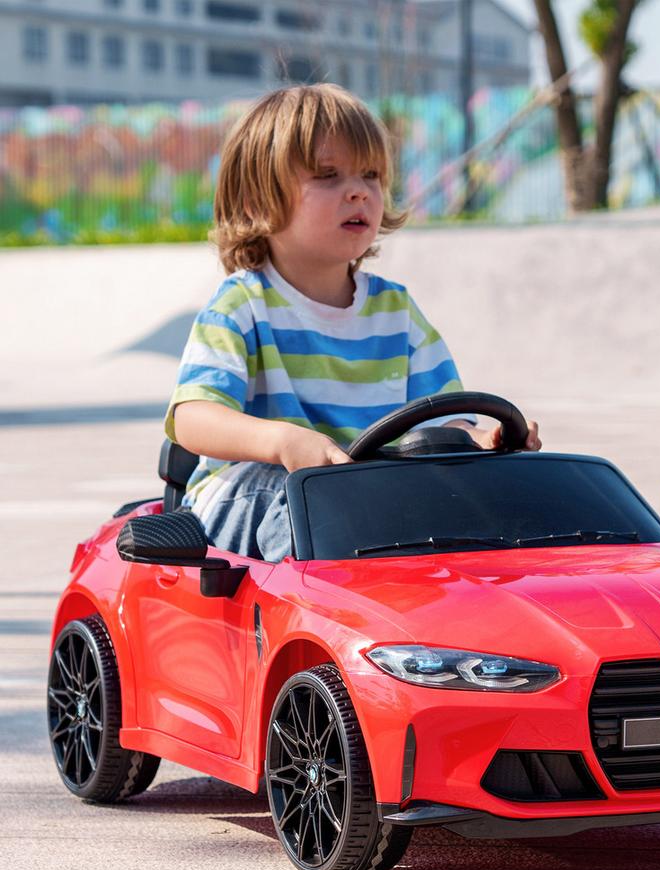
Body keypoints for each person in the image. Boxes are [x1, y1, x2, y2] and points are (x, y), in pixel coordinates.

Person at [165, 84, 540, 561]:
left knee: (481, 500)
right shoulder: (242, 304)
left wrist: (482, 441)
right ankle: (330, 597)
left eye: (371, 175)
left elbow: (444, 423)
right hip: (249, 496)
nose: (359, 190)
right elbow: (192, 418)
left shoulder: (396, 311)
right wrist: (281, 441)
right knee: (307, 506)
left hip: (361, 498)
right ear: (258, 200)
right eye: (328, 176)